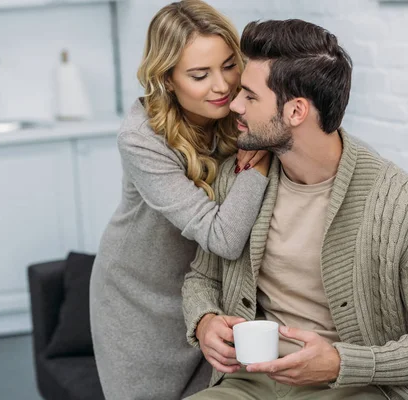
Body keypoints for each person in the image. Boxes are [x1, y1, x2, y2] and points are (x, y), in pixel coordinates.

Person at [183, 19, 408, 400]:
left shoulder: (405, 207)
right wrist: (204, 321)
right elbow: (202, 277)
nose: (234, 105)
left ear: (296, 111)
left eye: (250, 97)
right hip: (250, 381)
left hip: (357, 385)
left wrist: (341, 362)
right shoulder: (239, 179)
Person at [89, 1, 272, 399]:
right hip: (136, 303)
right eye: (199, 75)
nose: (222, 85)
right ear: (167, 79)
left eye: (228, 65)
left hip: (204, 291)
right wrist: (257, 166)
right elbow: (221, 236)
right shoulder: (141, 138)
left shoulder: (243, 107)